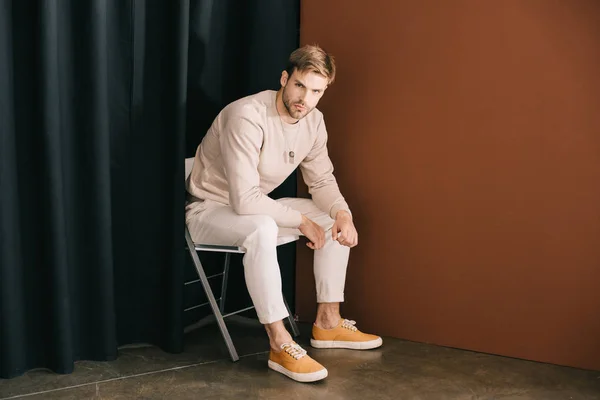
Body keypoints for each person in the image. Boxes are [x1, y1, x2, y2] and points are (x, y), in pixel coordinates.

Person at [185, 44, 382, 383]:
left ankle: (328, 323)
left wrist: (343, 214)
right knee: (261, 226)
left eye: (316, 91)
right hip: (208, 210)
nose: (304, 97)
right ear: (284, 78)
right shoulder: (246, 115)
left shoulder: (314, 122)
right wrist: (300, 222)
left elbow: (321, 180)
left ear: (324, 91)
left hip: (254, 206)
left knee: (331, 217)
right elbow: (245, 201)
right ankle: (279, 343)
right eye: (299, 85)